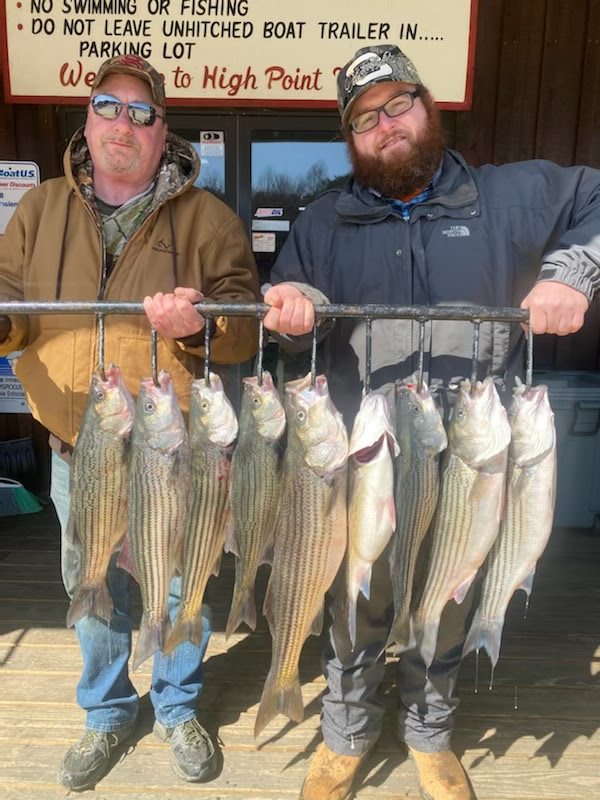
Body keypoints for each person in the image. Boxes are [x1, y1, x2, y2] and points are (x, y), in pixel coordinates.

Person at [263, 44, 599, 800]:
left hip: (475, 451)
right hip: (372, 455)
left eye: (399, 105)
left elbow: (596, 201)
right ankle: (346, 734)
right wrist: (289, 317)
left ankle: (429, 733)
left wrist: (569, 273)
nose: (387, 126)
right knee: (358, 595)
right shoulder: (322, 223)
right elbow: (292, 325)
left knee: (448, 595)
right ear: (350, 139)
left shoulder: (511, 198)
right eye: (364, 119)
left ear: (428, 105)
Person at [0, 55, 260, 791]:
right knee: (90, 586)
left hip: (166, 452)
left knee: (178, 587)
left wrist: (195, 327)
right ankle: (108, 712)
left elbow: (243, 328)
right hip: (77, 446)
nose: (123, 123)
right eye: (108, 106)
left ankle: (177, 704)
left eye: (141, 113)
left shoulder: (209, 220)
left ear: (162, 131)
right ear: (87, 118)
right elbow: (11, 300)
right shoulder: (41, 208)